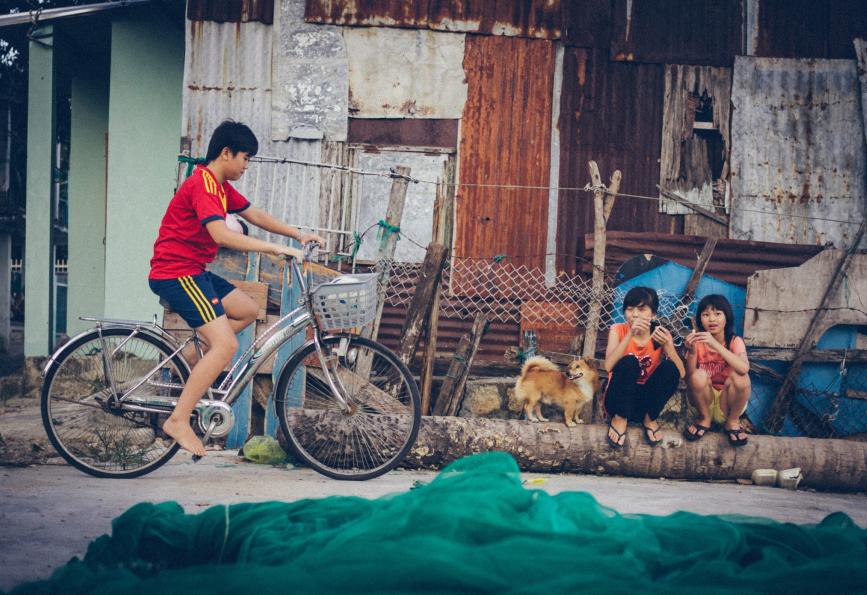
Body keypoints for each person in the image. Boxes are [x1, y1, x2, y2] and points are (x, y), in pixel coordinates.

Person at [148, 120, 324, 457]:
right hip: (177, 273)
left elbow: (254, 214)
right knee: (226, 345)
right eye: (245, 158)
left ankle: (189, 361)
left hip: (193, 271)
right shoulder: (202, 184)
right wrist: (273, 249)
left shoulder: (220, 187)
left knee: (245, 309)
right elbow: (222, 235)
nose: (246, 165)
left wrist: (297, 235)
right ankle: (179, 420)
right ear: (226, 153)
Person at [603, 287, 685, 449]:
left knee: (670, 368)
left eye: (641, 309)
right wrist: (629, 335)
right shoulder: (618, 330)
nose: (634, 314)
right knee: (629, 362)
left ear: (653, 314)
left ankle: (649, 418)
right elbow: (608, 366)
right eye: (630, 309)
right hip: (618, 399)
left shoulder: (660, 334)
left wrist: (668, 345)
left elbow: (680, 373)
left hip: (643, 403)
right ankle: (620, 419)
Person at [683, 294, 751, 447]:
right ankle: (704, 419)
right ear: (700, 319)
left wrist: (715, 345)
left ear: (727, 317)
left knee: (741, 377)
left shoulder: (735, 341)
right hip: (703, 402)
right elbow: (689, 380)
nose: (712, 319)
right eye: (706, 315)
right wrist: (692, 353)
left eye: (717, 314)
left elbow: (744, 368)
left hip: (727, 403)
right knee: (698, 375)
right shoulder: (697, 342)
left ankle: (733, 422)